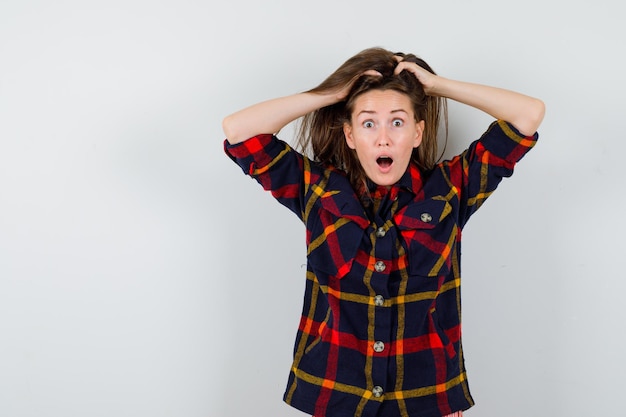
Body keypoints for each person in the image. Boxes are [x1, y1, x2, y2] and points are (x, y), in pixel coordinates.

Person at [222, 47, 545, 417]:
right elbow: (239, 130)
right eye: (368, 123)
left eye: (397, 122)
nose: (383, 139)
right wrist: (334, 93)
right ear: (349, 135)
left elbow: (527, 115)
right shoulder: (317, 190)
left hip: (426, 398)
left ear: (417, 132)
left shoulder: (451, 188)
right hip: (337, 395)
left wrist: (436, 86)